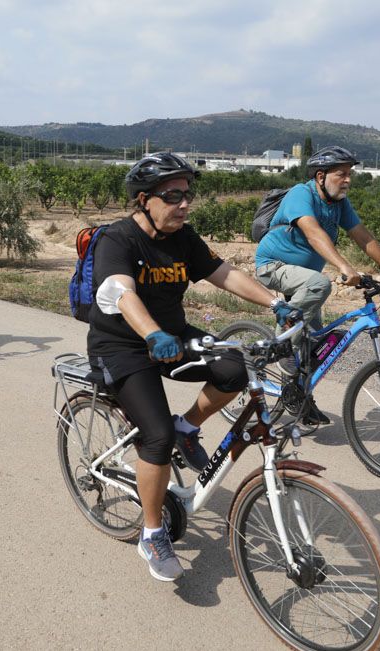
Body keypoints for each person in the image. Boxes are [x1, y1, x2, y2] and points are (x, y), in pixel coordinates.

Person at [87, 153, 298, 582]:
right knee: (155, 435)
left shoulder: (184, 237)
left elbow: (223, 274)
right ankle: (151, 533)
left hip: (172, 335)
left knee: (234, 369)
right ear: (144, 200)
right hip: (123, 344)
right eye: (173, 196)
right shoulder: (118, 239)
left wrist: (276, 303)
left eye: (188, 195)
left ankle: (189, 427)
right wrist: (150, 333)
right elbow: (119, 292)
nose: (185, 204)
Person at [253, 145, 380, 425]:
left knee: (314, 348)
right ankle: (282, 344)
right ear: (321, 176)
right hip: (273, 266)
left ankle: (299, 396)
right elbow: (313, 233)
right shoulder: (301, 194)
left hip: (304, 281)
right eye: (342, 174)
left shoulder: (339, 204)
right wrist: (343, 266)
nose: (348, 179)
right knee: (319, 285)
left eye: (350, 173)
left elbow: (362, 236)